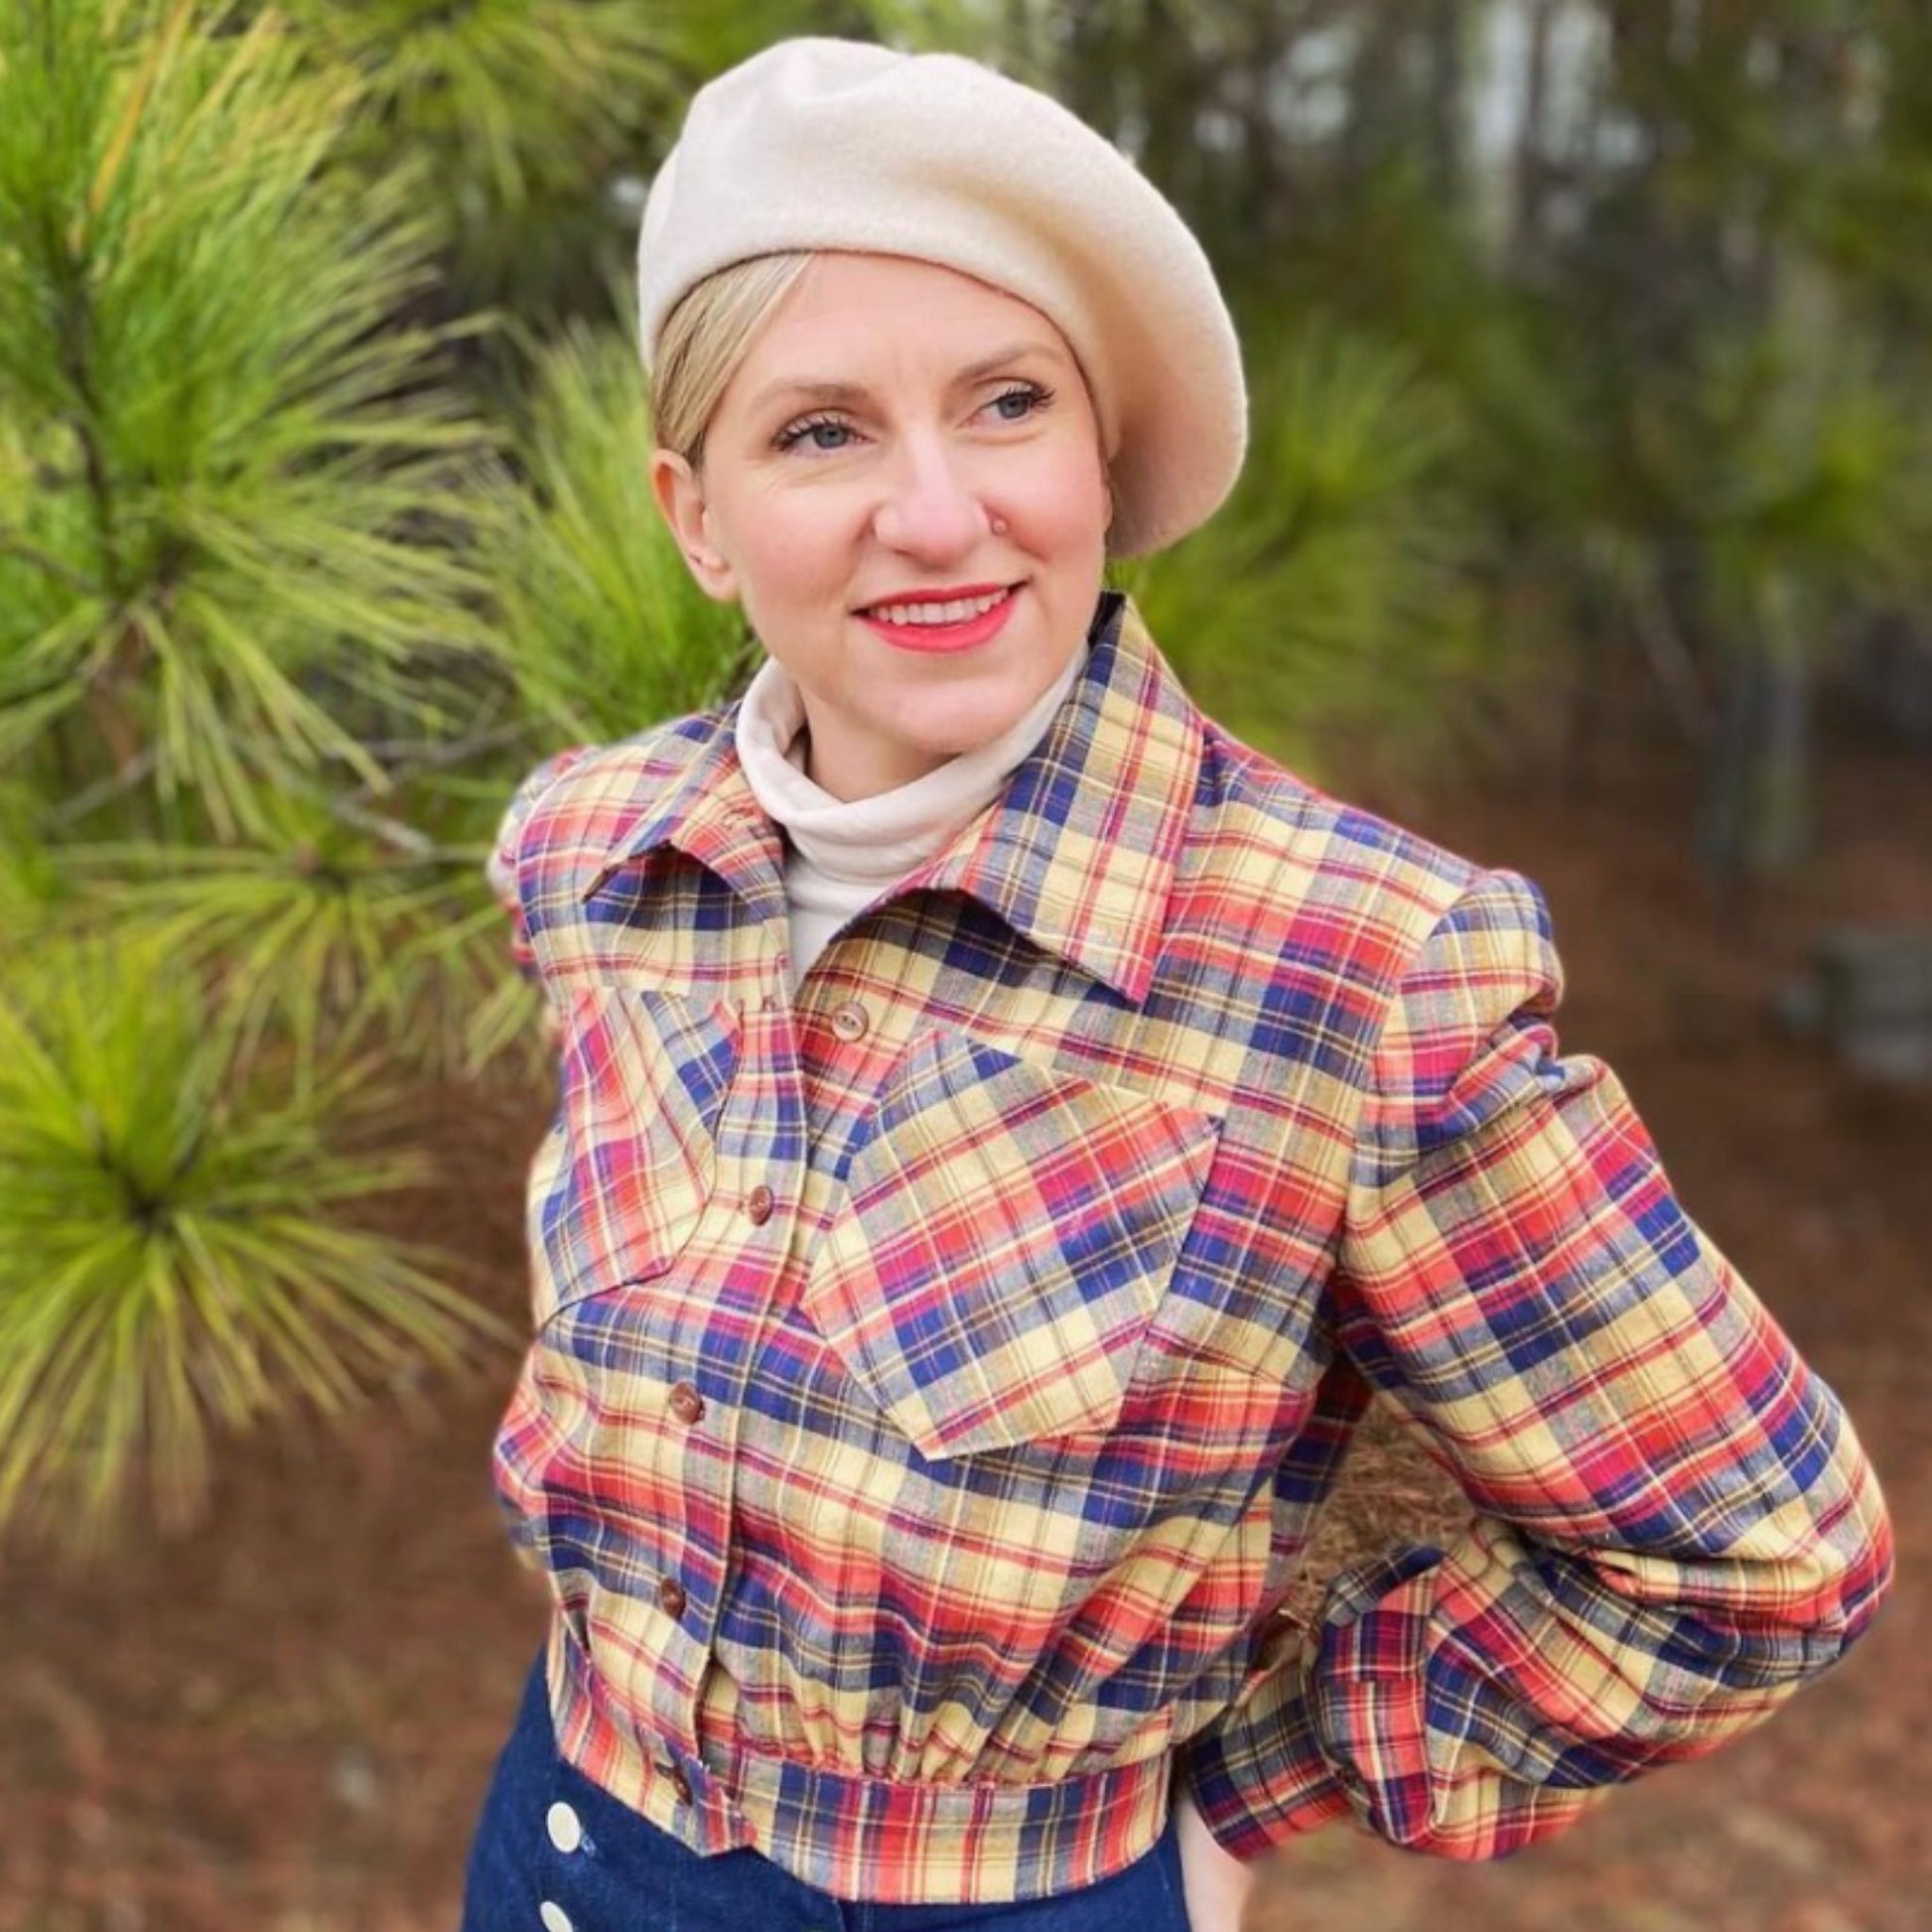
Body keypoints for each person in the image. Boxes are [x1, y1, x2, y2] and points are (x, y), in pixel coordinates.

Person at [464, 37, 1895, 1932]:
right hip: (563, 1846)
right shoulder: (596, 856)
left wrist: (1248, 1792)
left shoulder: (1346, 966)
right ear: (695, 514)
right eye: (820, 431)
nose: (937, 510)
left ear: (1101, 456)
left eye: (1003, 404)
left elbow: (1754, 1550)